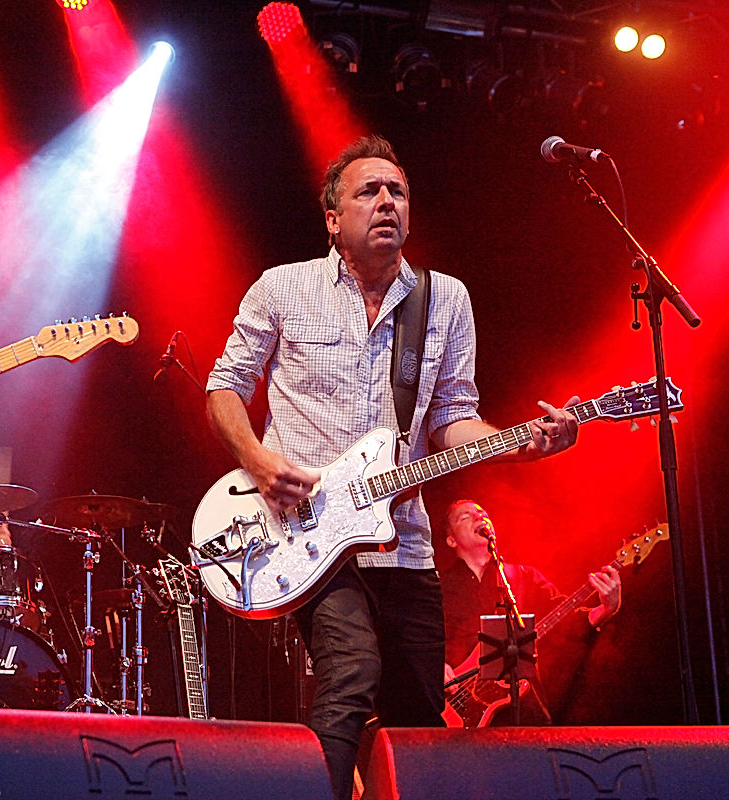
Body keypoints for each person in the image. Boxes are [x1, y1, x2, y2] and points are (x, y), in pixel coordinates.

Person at [204, 135, 578, 799]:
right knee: (349, 676)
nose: (386, 202)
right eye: (369, 192)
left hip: (404, 546)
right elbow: (224, 386)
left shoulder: (446, 299)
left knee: (415, 715)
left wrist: (519, 442)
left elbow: (455, 417)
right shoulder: (282, 287)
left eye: (397, 192)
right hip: (310, 538)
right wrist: (259, 462)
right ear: (332, 217)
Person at [440, 498, 621, 726]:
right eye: (465, 517)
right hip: (455, 711)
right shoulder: (437, 588)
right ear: (451, 540)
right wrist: (435, 665)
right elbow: (415, 640)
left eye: (482, 513)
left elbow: (568, 623)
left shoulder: (524, 577)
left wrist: (606, 607)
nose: (479, 517)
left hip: (525, 713)